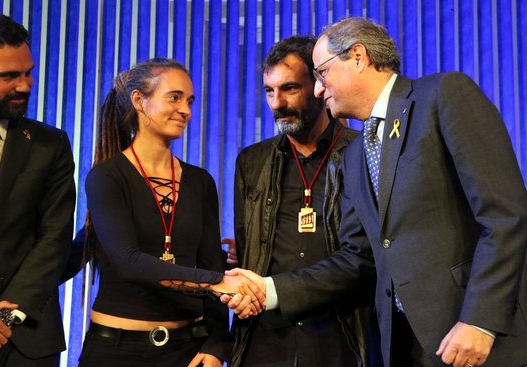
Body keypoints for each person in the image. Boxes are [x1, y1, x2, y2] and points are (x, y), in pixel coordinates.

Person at [228, 17, 527, 367]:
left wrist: (480, 320)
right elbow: (360, 256)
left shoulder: (443, 95)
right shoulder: (354, 155)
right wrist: (270, 290)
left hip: (473, 336)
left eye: (323, 74)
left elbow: (505, 216)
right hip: (402, 345)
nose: (320, 90)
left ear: (357, 56)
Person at [80, 58, 262, 367]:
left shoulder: (200, 180)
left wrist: (218, 344)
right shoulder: (107, 176)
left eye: (189, 100)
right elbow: (129, 263)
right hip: (115, 351)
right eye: (174, 97)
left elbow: (210, 259)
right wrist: (218, 281)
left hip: (186, 352)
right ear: (139, 100)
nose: (186, 110)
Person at [229, 35, 374, 367]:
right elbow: (247, 249)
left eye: (290, 88)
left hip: (343, 336)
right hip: (265, 338)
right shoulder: (251, 161)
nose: (277, 103)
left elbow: (367, 256)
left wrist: (272, 290)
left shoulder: (364, 151)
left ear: (320, 85)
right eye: (269, 91)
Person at [0, 12, 75, 366]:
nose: (25, 85)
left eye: (28, 72)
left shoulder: (51, 144)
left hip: (28, 341)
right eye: (9, 76)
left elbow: (54, 240)